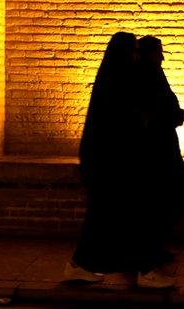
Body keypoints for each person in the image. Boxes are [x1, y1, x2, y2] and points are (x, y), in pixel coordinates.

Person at [64, 32, 143, 283]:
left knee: (105, 215)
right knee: (100, 215)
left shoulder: (109, 79)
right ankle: (79, 263)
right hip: (106, 162)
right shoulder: (117, 82)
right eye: (132, 51)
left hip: (103, 160)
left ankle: (90, 264)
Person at [133, 35, 184, 286]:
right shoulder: (147, 76)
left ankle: (156, 251)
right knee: (158, 203)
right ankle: (149, 260)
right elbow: (155, 114)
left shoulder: (150, 73)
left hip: (160, 148)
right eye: (159, 52)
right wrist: (177, 116)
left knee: (163, 201)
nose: (162, 56)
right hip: (156, 151)